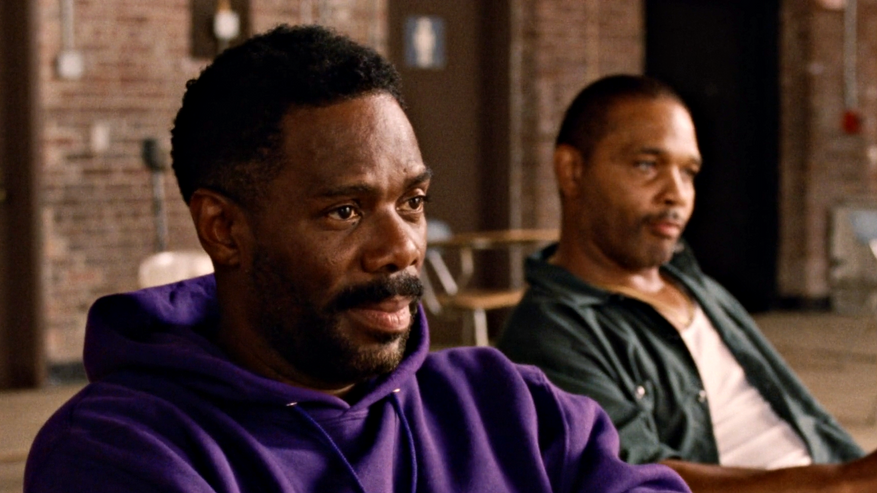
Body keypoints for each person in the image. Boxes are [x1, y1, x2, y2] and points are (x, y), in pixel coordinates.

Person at [23, 27, 689, 493]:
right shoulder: (119, 452)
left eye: (412, 201)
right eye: (345, 210)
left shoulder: (510, 405)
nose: (402, 247)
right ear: (223, 229)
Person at [495, 74, 877, 492]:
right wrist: (841, 482)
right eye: (647, 165)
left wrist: (849, 475)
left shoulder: (695, 286)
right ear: (572, 171)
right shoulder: (550, 333)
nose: (677, 193)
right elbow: (638, 480)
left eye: (689, 172)